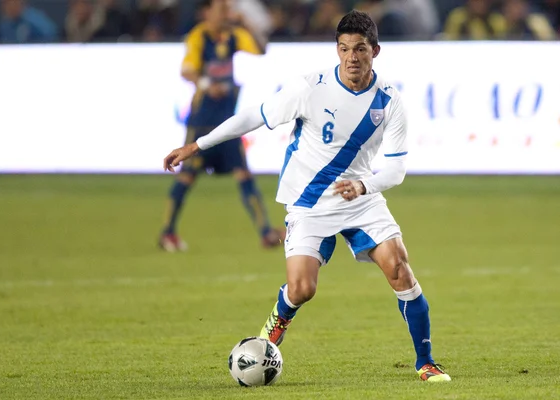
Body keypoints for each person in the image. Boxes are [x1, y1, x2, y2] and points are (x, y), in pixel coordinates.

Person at [163, 10, 451, 382]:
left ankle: (425, 362)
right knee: (302, 289)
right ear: (337, 50)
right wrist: (197, 145)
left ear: (375, 51)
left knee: (399, 269)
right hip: (309, 201)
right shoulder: (310, 88)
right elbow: (254, 116)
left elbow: (396, 169)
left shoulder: (390, 103)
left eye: (360, 49)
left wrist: (364, 186)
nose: (352, 57)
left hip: (359, 197)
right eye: (345, 49)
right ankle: (276, 323)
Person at [159, 0, 284, 252]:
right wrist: (206, 84)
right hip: (202, 122)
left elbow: (261, 49)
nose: (226, 13)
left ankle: (265, 232)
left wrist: (246, 23)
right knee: (187, 176)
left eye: (227, 9)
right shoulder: (198, 37)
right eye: (221, 9)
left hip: (228, 122)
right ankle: (167, 232)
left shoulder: (233, 35)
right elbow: (187, 71)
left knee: (243, 174)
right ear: (206, 12)